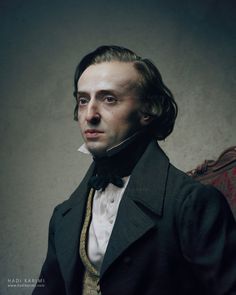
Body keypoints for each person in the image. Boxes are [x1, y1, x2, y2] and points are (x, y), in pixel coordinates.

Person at [32, 45, 236, 295]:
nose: (90, 114)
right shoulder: (63, 216)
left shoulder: (193, 203)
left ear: (148, 110)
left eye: (109, 99)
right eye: (83, 100)